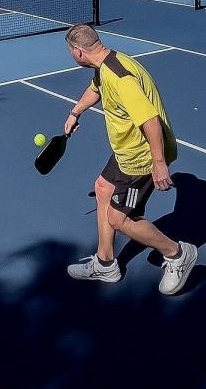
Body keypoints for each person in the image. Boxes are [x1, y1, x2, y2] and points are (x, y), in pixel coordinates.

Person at [61, 24, 197, 295]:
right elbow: (96, 89)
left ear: (77, 52)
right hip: (126, 151)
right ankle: (106, 263)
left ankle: (177, 254)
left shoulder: (121, 78)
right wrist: (75, 112)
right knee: (102, 188)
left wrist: (158, 164)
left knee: (118, 219)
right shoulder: (108, 64)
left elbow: (150, 121)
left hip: (141, 159)